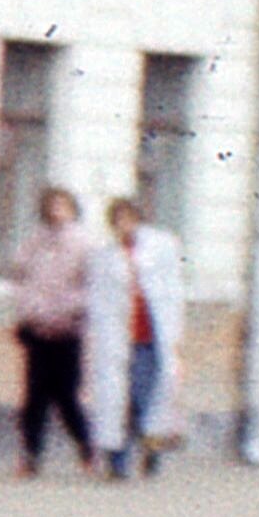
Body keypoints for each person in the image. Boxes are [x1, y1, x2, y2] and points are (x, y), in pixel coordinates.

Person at [82, 193, 188, 477]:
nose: (124, 225)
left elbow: (171, 291)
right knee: (117, 400)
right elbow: (97, 299)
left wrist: (175, 330)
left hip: (150, 336)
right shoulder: (104, 256)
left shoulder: (160, 247)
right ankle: (118, 461)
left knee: (144, 396)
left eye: (128, 218)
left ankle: (151, 445)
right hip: (118, 338)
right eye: (118, 220)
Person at [6, 185, 95, 475]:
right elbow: (21, 279)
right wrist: (31, 311)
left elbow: (90, 286)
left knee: (67, 395)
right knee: (35, 395)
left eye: (62, 205)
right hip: (38, 328)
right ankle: (30, 455)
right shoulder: (34, 242)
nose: (56, 211)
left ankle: (87, 447)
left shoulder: (84, 244)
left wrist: (68, 310)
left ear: (72, 209)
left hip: (69, 329)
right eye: (52, 205)